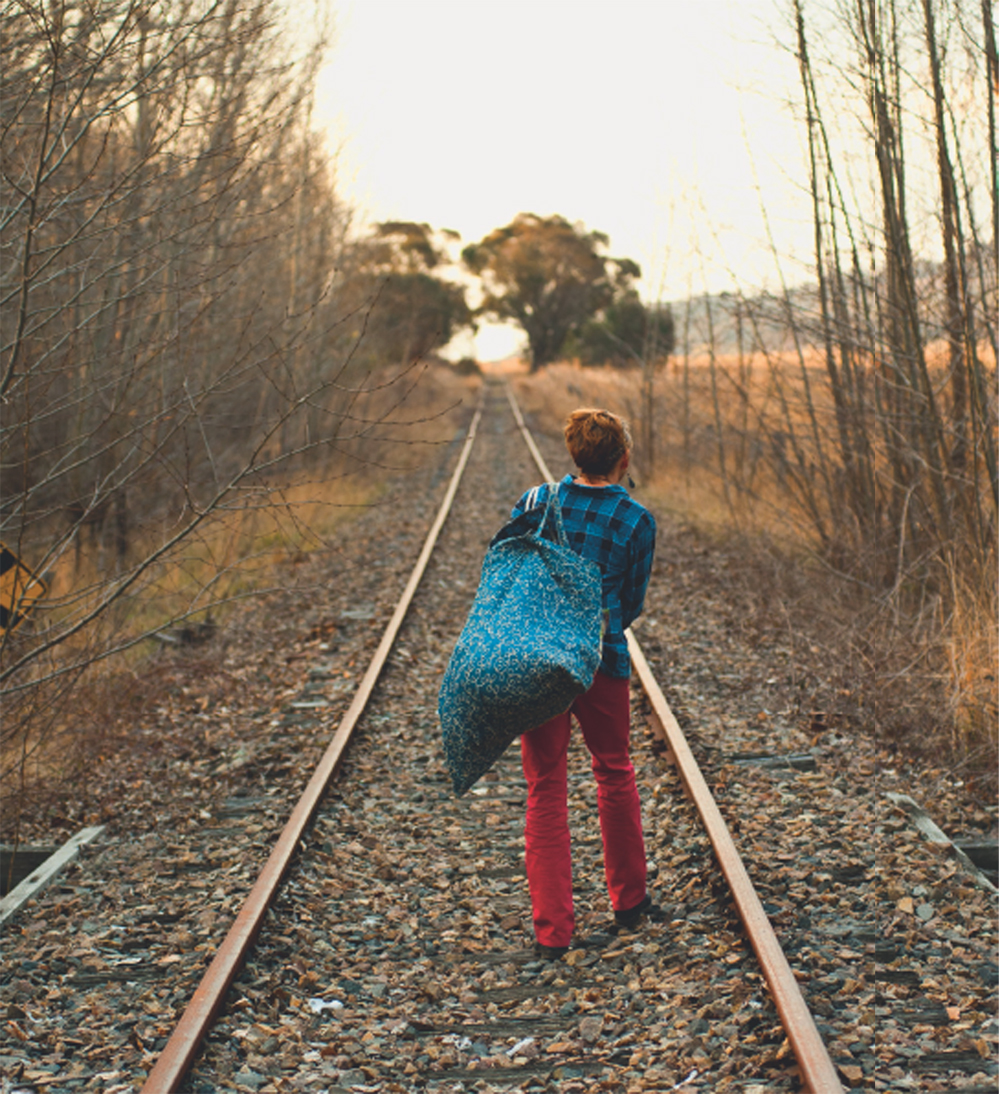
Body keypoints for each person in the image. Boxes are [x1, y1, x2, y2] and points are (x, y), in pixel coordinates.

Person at [510, 408, 657, 959]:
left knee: (545, 784)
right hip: (599, 659)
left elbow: (511, 570)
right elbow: (631, 602)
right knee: (614, 770)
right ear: (622, 459)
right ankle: (630, 902)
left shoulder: (534, 502)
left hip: (540, 661)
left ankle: (553, 933)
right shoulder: (635, 520)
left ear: (574, 455)